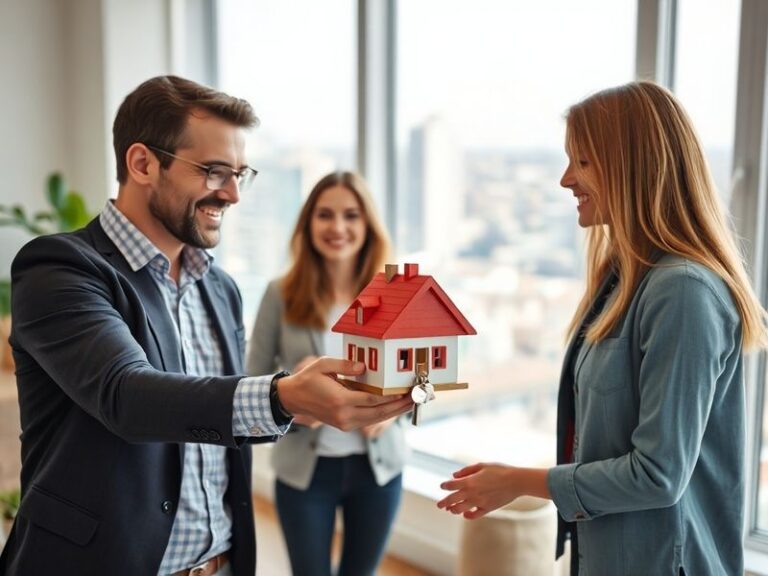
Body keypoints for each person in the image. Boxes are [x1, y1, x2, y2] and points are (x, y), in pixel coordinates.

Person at [0, 76, 412, 576]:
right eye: (215, 171)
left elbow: (218, 421)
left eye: (240, 174)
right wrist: (283, 395)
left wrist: (299, 406)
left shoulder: (219, 288)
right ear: (142, 164)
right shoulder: (60, 269)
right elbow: (126, 395)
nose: (233, 194)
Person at [437, 81, 768, 575]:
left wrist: (519, 482)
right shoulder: (624, 280)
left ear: (634, 167)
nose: (566, 179)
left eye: (583, 161)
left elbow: (657, 474)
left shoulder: (683, 291)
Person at [247, 171, 406, 576]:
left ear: (367, 225)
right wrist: (292, 390)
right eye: (325, 215)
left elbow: (421, 376)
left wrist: (394, 413)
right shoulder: (279, 293)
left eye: (351, 215)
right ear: (308, 223)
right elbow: (251, 382)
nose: (337, 227)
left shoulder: (394, 295)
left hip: (378, 469)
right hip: (305, 472)